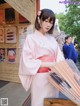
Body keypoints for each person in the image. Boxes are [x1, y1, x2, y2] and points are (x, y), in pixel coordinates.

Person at [19, 9, 64, 106]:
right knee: (39, 102)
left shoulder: (52, 39)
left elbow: (59, 57)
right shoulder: (30, 38)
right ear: (39, 20)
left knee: (52, 101)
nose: (48, 25)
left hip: (53, 77)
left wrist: (60, 67)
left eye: (51, 22)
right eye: (46, 21)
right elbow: (27, 61)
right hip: (40, 77)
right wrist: (49, 64)